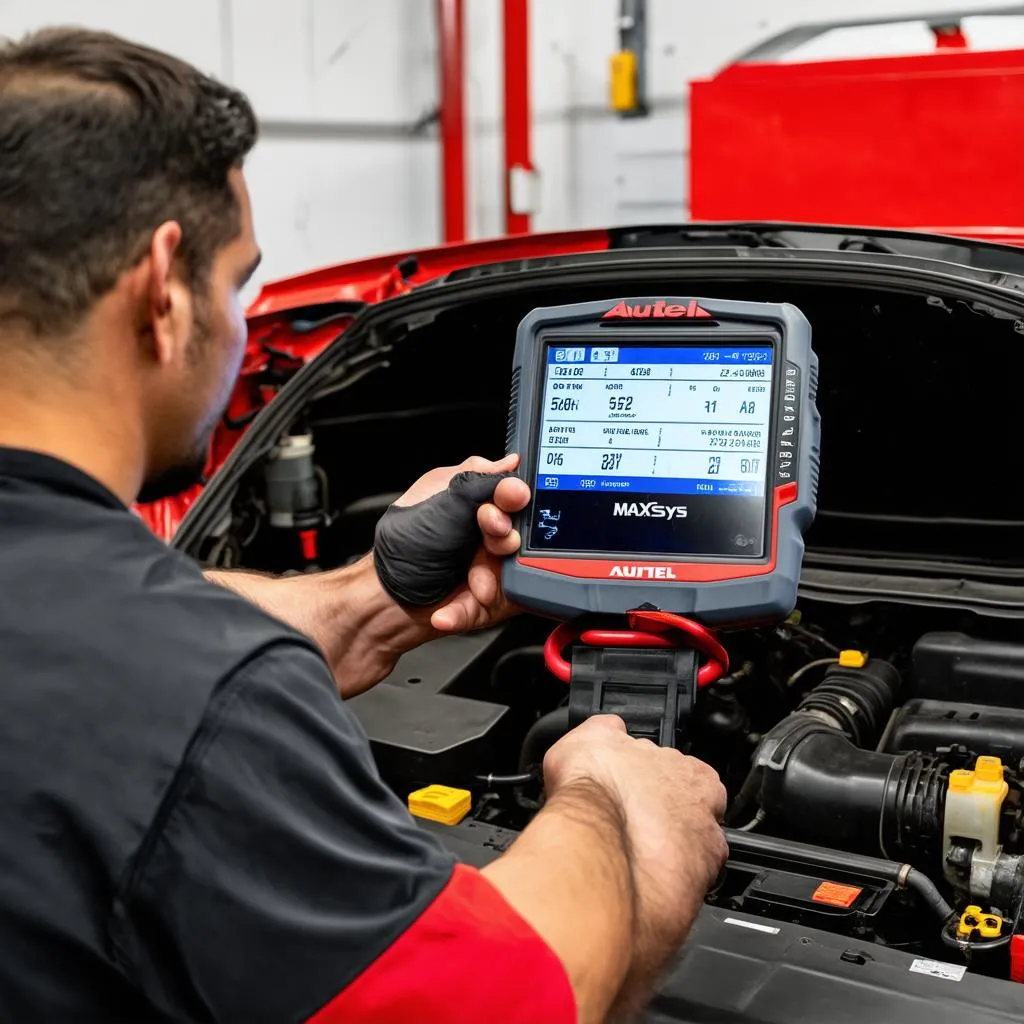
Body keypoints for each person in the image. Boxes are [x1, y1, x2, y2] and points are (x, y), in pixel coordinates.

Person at [0, 27, 728, 1024]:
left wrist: (374, 595)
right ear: (163, 289)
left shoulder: (88, 617)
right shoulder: (201, 706)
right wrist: (608, 794)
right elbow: (506, 1003)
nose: (243, 325)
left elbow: (90, 628)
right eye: (239, 281)